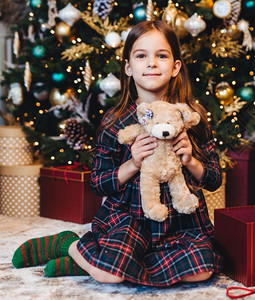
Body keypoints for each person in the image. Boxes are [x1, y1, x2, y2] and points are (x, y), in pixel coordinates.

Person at [11, 20, 223, 286]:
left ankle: (92, 261)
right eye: (141, 56)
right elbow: (99, 183)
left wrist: (191, 161)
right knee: (110, 276)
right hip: (129, 218)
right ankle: (71, 246)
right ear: (128, 67)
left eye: (162, 56)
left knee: (201, 271)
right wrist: (133, 163)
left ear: (176, 67)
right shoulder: (116, 121)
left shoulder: (192, 118)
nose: (152, 63)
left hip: (179, 223)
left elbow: (215, 179)